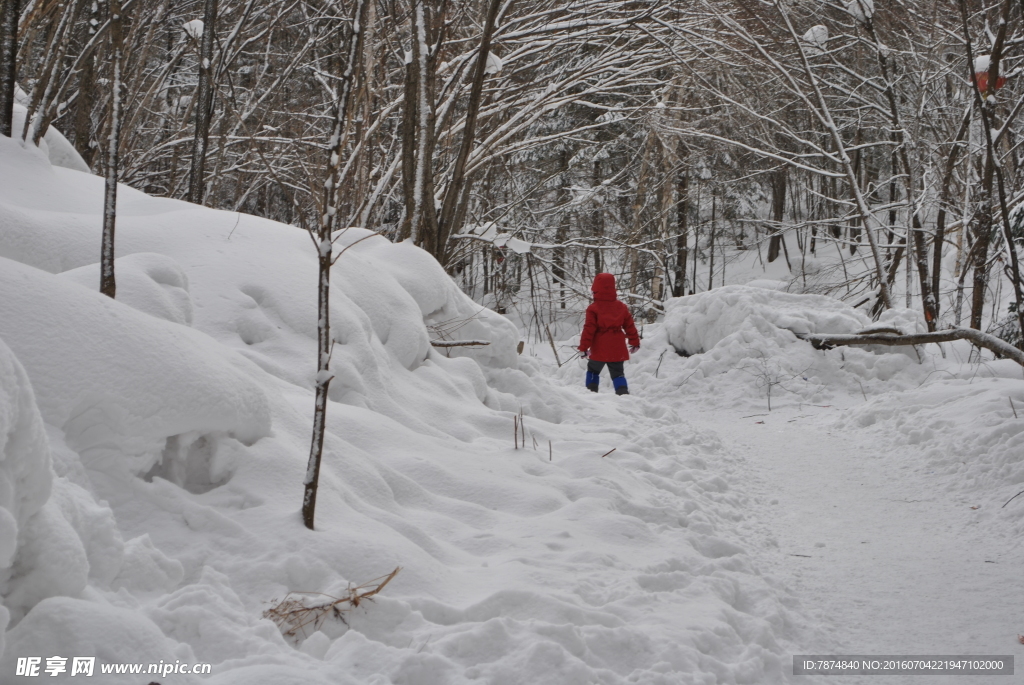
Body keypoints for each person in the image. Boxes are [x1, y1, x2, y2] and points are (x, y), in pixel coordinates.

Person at [578, 273, 640, 395]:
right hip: (617, 347)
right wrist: (635, 342)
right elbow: (629, 326)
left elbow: (589, 329)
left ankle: (590, 393)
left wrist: (583, 347)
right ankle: (623, 394)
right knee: (618, 373)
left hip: (599, 347)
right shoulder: (621, 307)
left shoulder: (593, 308)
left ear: (595, 288)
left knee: (593, 370)